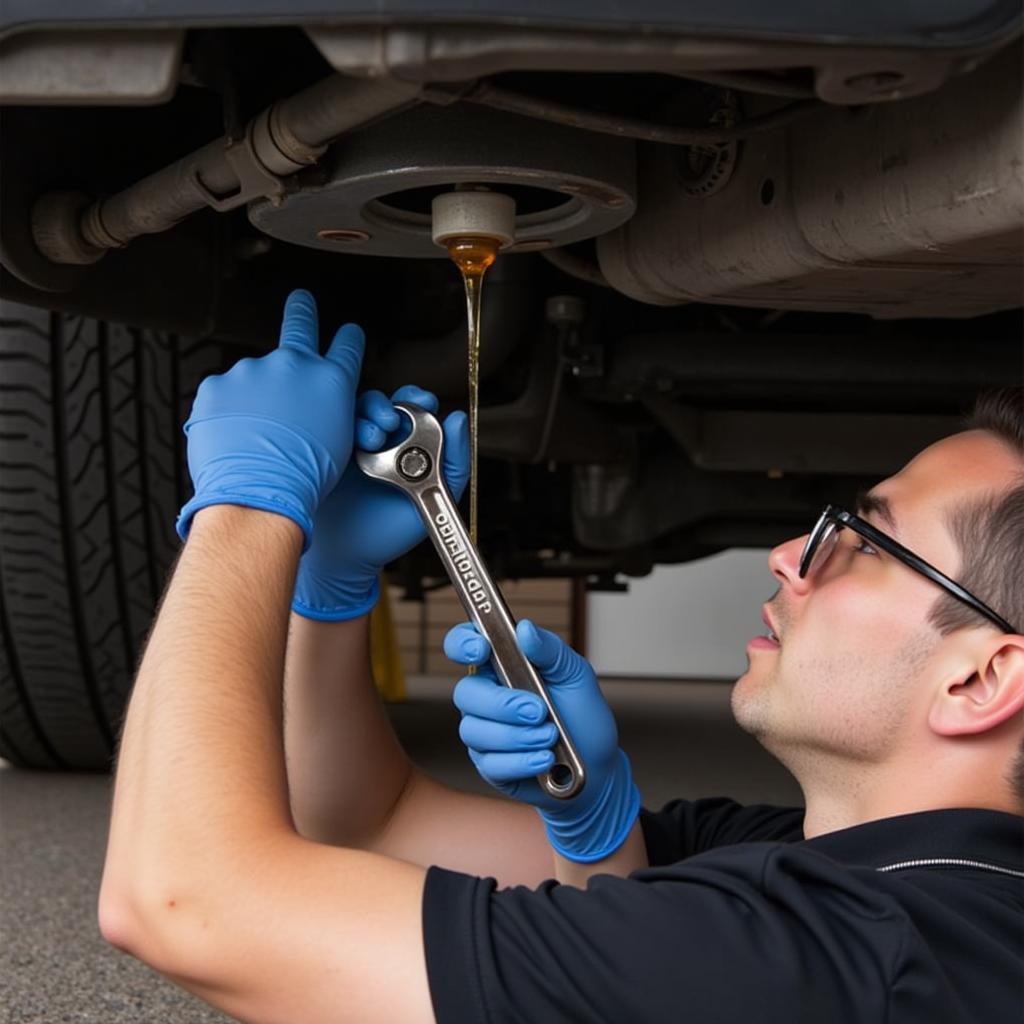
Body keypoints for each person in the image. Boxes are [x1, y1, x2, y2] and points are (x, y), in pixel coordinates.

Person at [98, 291, 1023, 1024]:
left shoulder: (831, 957)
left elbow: (180, 903)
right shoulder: (871, 880)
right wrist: (329, 592)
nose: (791, 553)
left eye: (866, 541)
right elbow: (363, 821)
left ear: (983, 677)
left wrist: (249, 507)